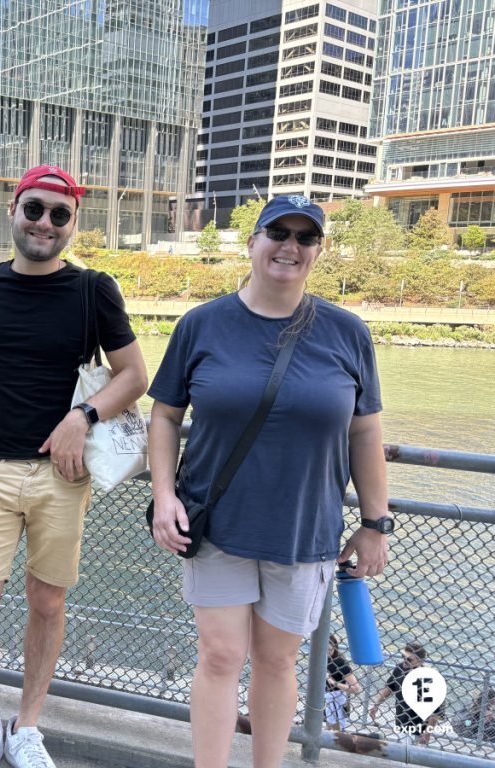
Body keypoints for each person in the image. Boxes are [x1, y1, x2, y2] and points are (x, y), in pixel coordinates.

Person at [147, 195, 391, 768]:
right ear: (252, 242)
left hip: (305, 526)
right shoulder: (201, 324)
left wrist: (375, 522)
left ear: (317, 252)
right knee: (220, 655)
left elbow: (365, 434)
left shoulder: (347, 333)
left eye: (305, 238)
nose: (290, 245)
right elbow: (163, 414)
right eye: (277, 231)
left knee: (279, 661)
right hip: (216, 522)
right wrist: (163, 494)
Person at [0, 165, 148, 768]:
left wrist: (81, 416)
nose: (45, 223)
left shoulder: (94, 289)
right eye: (35, 209)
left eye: (60, 215)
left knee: (46, 603)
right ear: (14, 210)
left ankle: (27, 726)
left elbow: (135, 375)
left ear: (72, 223)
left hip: (65, 475)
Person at [370, 642, 443, 744]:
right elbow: (390, 687)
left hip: (415, 727)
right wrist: (376, 705)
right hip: (400, 722)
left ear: (420, 661)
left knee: (405, 754)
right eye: (403, 656)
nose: (405, 660)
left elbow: (435, 712)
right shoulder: (400, 668)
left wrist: (427, 733)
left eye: (409, 659)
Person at [325, 634, 361, 731]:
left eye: (330, 649)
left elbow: (356, 688)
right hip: (327, 699)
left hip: (338, 699)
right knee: (329, 729)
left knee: (337, 731)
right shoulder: (323, 659)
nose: (327, 652)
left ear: (334, 648)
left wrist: (334, 682)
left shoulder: (339, 662)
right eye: (324, 649)